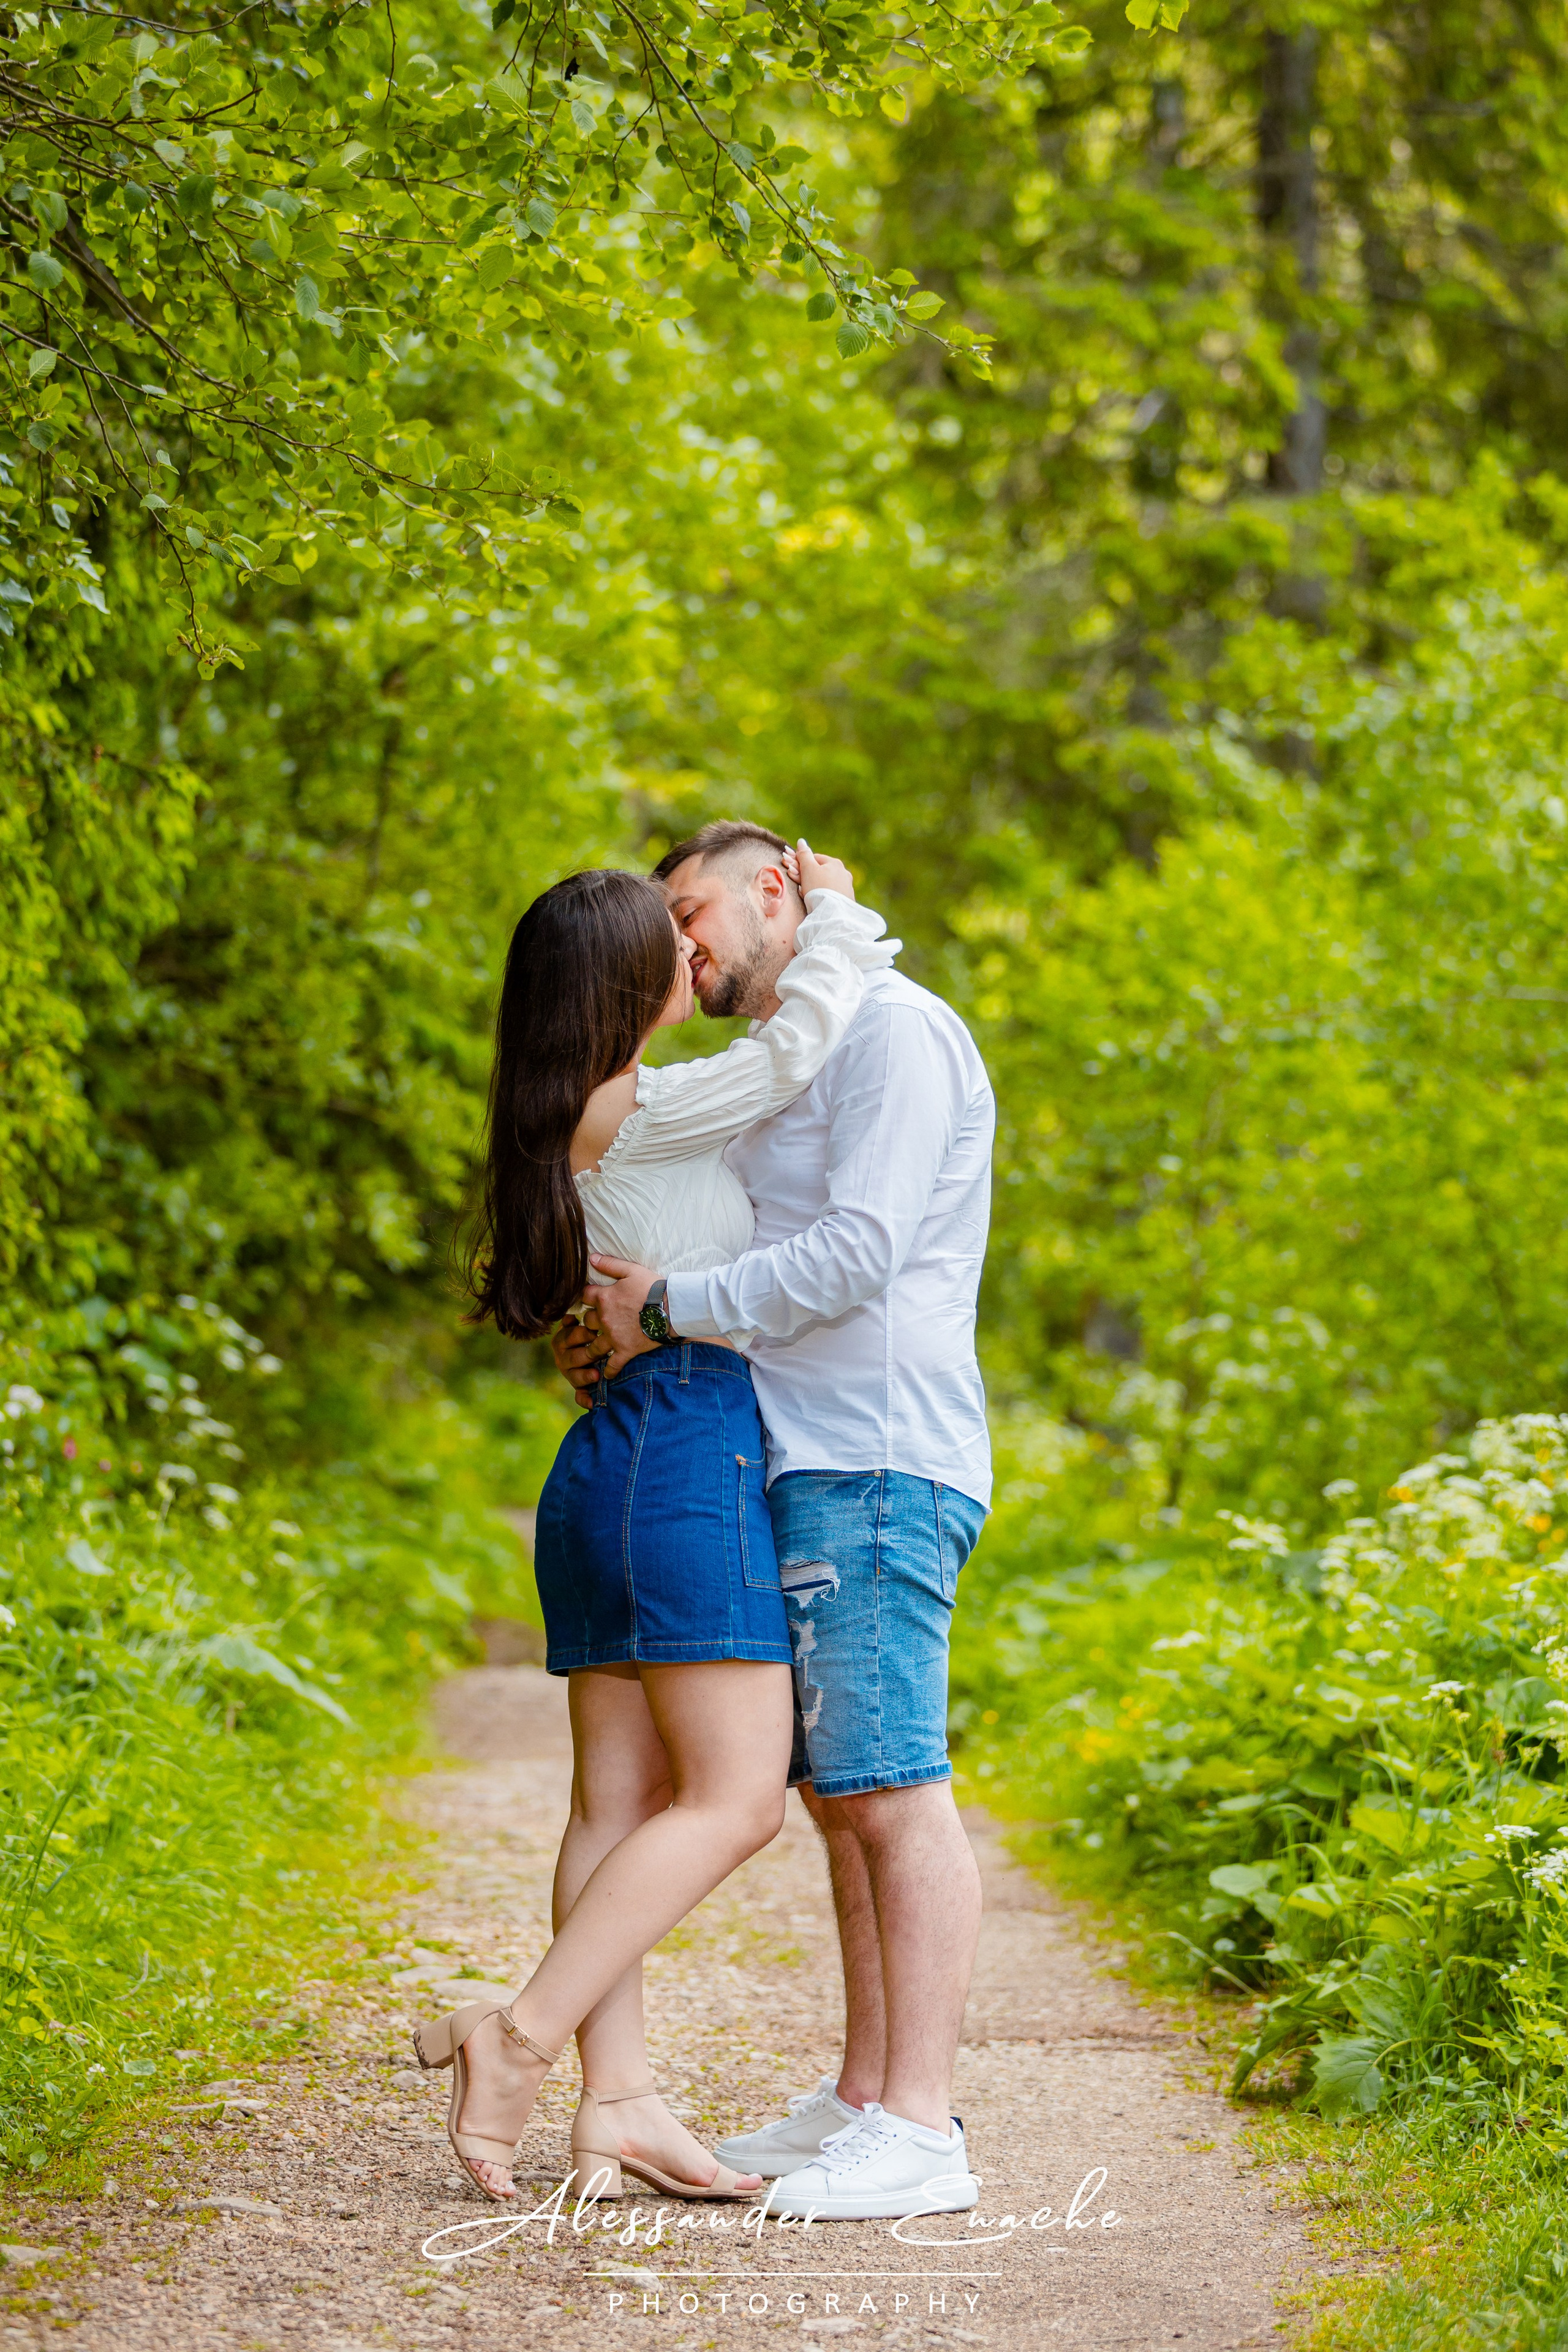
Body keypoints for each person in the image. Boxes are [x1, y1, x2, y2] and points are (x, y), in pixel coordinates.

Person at [415, 846, 897, 2205]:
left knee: (613, 1804)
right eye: (667, 943)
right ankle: (518, 2040)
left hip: (608, 1465)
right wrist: (841, 910)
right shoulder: (635, 1110)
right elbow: (796, 1048)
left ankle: (616, 2101)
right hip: (682, 1450)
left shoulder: (565, 1117)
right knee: (738, 1798)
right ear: (618, 983)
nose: (693, 962)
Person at [560, 818, 995, 2222]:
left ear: (773, 889)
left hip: (874, 1451)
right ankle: (865, 2095)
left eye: (690, 911)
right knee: (838, 1798)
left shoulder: (890, 1037)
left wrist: (670, 1311)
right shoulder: (785, 1061)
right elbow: (707, 1212)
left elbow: (860, 1253)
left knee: (890, 1788)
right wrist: (611, 1322)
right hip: (794, 1455)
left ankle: (921, 2127)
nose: (681, 945)